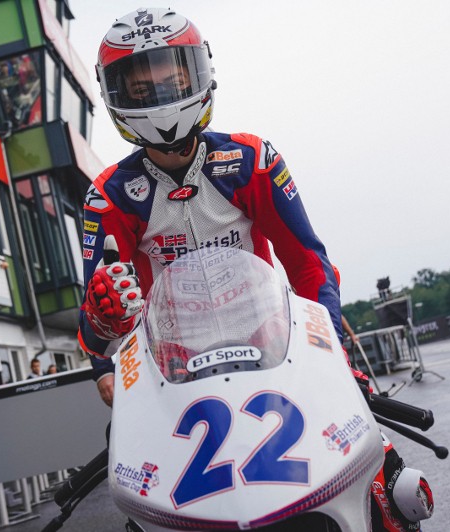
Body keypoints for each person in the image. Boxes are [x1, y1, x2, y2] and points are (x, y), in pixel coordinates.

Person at [78, 9, 431, 530]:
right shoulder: (106, 196)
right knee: (139, 499)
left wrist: (330, 351)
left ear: (198, 74)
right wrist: (102, 344)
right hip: (171, 373)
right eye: (140, 85)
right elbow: (98, 325)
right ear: (116, 94)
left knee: (387, 482)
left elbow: (309, 265)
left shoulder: (254, 159)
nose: (158, 95)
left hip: (276, 351)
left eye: (171, 78)